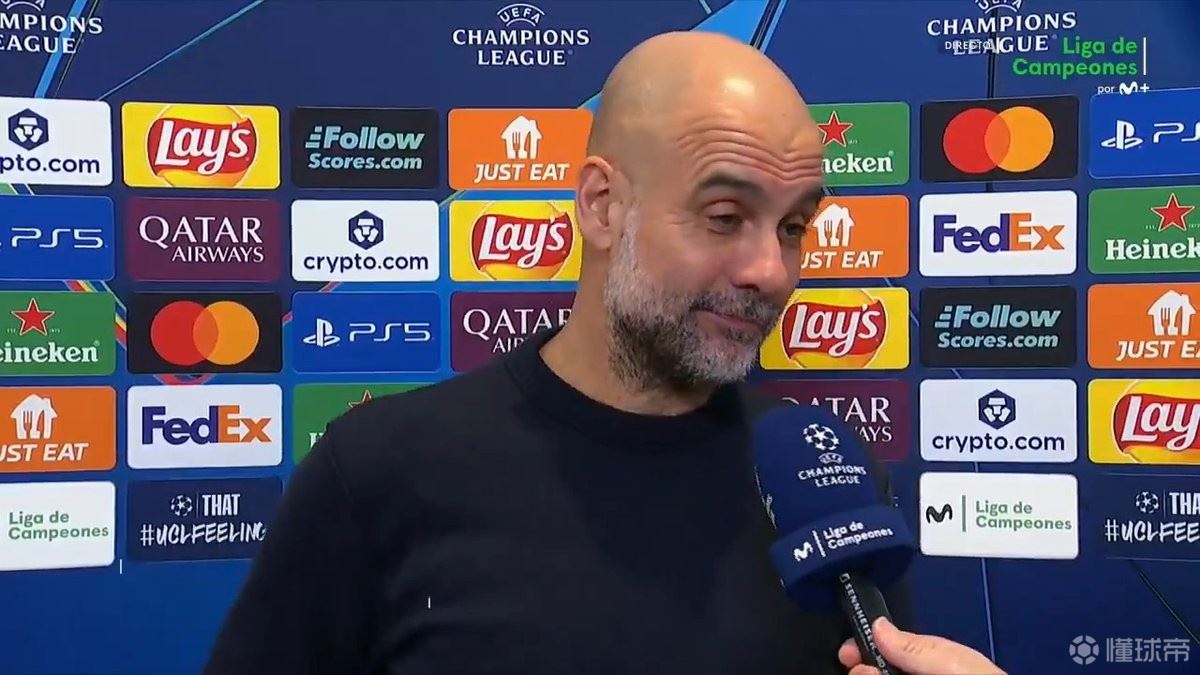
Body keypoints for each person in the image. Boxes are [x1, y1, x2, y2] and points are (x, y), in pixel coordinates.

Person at [203, 31, 1004, 675]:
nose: (770, 269)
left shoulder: (827, 480)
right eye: (726, 216)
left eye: (793, 226)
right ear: (602, 204)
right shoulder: (378, 471)